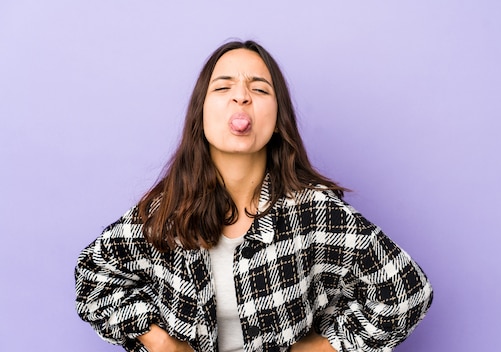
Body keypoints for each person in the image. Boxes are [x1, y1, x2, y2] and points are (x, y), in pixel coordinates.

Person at [75, 40, 433, 352]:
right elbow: (92, 276)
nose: (242, 95)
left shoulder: (313, 211)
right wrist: (159, 342)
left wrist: (327, 346)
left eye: (260, 89)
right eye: (223, 87)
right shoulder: (166, 212)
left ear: (278, 119)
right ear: (201, 113)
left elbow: (406, 293)